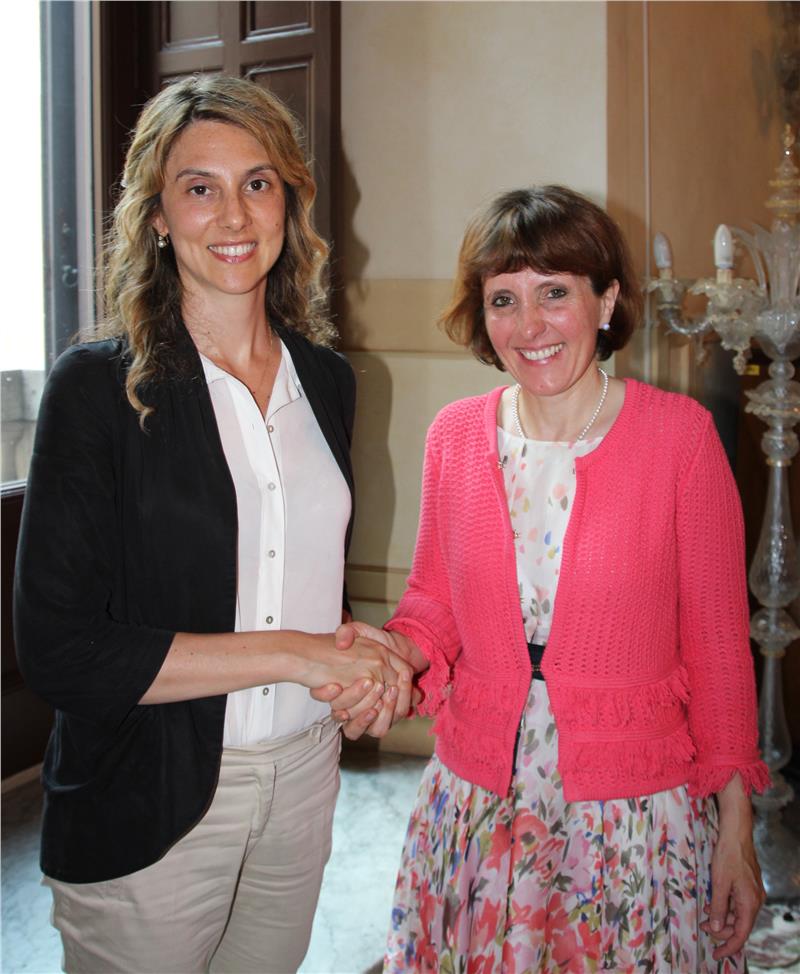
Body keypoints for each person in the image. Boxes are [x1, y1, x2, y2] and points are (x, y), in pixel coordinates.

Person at [13, 74, 411, 974]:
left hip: (303, 779)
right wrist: (300, 655)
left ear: (289, 202)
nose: (234, 215)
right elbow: (61, 651)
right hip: (146, 795)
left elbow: (287, 572)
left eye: (257, 183)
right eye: (200, 188)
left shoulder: (326, 379)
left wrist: (354, 655)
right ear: (157, 215)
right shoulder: (97, 388)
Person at [334, 186, 769, 972]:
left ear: (607, 301)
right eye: (504, 299)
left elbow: (718, 651)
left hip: (631, 815)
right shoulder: (455, 437)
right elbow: (433, 602)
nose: (529, 326)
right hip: (478, 798)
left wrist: (736, 830)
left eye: (555, 293)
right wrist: (392, 655)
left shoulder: (680, 441)